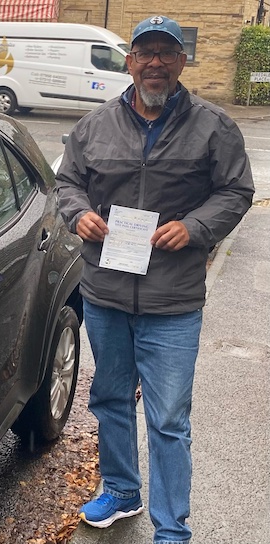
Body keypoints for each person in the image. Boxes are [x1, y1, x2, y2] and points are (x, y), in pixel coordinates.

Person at [55, 15, 255, 544]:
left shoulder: (215, 126)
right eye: (145, 53)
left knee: (168, 418)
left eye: (167, 53)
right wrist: (78, 214)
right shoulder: (94, 125)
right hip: (105, 293)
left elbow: (235, 192)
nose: (156, 63)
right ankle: (122, 491)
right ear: (130, 61)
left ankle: (171, 529)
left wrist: (193, 228)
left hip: (173, 300)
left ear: (181, 62)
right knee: (111, 399)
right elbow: (67, 182)